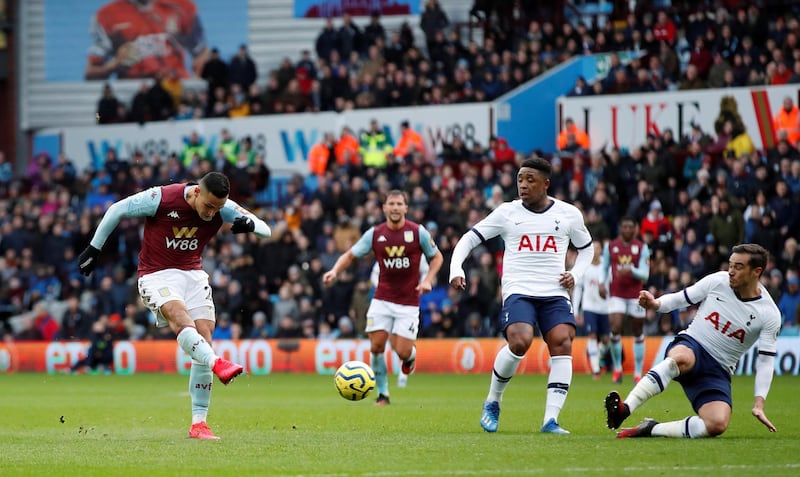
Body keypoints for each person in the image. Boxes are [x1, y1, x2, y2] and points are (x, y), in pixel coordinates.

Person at [77, 171, 271, 439]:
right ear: (195, 193)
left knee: (203, 338)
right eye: (209, 206)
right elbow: (117, 209)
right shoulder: (161, 198)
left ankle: (198, 424)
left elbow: (266, 229)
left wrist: (249, 225)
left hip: (193, 275)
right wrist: (94, 248)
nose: (212, 213)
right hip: (157, 275)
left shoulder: (221, 207)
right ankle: (217, 363)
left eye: (218, 208)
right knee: (180, 317)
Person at [449, 157, 594, 434]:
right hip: (519, 290)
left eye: (530, 180)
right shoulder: (507, 213)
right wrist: (456, 268)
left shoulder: (568, 214)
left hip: (554, 292)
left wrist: (576, 274)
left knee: (563, 343)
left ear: (546, 184)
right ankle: (493, 400)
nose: (523, 185)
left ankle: (550, 420)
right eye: (520, 179)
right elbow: (469, 238)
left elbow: (587, 249)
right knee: (520, 340)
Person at [605, 244, 781, 438]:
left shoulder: (769, 314)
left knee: (717, 424)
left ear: (756, 271)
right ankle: (625, 409)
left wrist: (759, 404)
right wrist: (656, 304)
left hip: (718, 370)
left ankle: (651, 428)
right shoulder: (717, 281)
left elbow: (765, 361)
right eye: (730, 265)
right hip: (693, 345)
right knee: (681, 358)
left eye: (738, 267)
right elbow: (681, 299)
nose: (731, 271)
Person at [323, 190, 443, 405]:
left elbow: (437, 257)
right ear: (384, 208)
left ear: (406, 208)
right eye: (391, 204)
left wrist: (428, 280)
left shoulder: (418, 233)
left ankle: (410, 358)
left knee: (403, 350)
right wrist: (334, 271)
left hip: (408, 301)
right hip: (382, 299)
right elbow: (351, 255)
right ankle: (383, 394)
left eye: (399, 204)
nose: (395, 207)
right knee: (377, 346)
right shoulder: (375, 234)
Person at [84, 0, 210, 80]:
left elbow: (202, 54)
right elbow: (90, 73)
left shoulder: (183, 7)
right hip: (134, 93)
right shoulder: (107, 15)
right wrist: (114, 65)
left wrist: (197, 83)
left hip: (176, 88)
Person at [599, 216, 651, 384]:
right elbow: (604, 267)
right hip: (617, 294)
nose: (627, 230)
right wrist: (601, 282)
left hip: (636, 295)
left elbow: (645, 274)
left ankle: (637, 372)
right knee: (615, 327)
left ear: (635, 229)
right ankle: (617, 369)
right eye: (625, 227)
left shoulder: (642, 248)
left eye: (631, 227)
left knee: (637, 330)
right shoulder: (611, 247)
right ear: (620, 228)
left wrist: (631, 270)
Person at [572, 241, 610, 379]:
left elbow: (612, 285)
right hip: (589, 307)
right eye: (593, 248)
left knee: (606, 339)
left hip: (605, 307)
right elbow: (578, 288)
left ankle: (597, 358)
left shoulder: (607, 265)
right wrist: (576, 310)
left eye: (598, 248)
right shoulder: (585, 266)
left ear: (601, 250)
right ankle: (595, 370)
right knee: (592, 335)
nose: (596, 250)